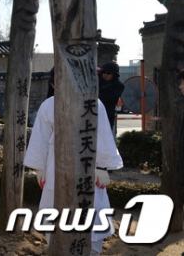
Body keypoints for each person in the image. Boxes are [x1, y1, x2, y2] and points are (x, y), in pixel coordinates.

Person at [24, 69, 123, 256]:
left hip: (89, 170)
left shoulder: (95, 104)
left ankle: (92, 252)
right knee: (56, 216)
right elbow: (41, 139)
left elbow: (102, 135)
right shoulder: (48, 106)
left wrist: (101, 166)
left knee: (92, 214)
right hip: (56, 171)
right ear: (53, 85)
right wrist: (40, 168)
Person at [98, 62, 125, 131]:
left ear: (114, 74)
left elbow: (110, 98)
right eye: (104, 72)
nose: (106, 74)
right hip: (93, 113)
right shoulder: (96, 82)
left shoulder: (118, 86)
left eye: (109, 73)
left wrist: (95, 95)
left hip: (107, 115)